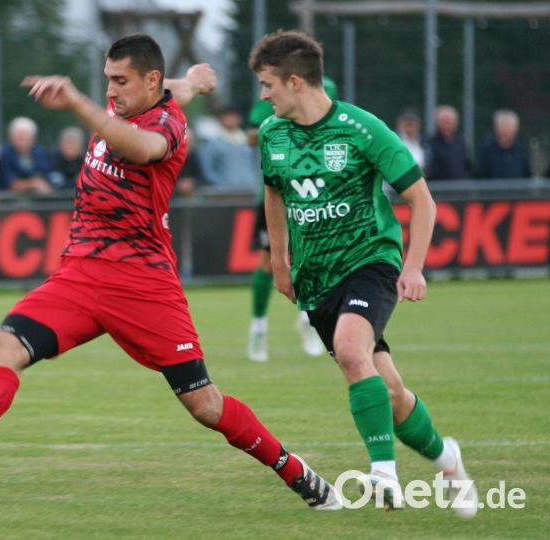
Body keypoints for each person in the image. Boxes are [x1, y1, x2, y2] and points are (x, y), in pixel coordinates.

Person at [0, 34, 342, 511]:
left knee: (205, 406)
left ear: (148, 81)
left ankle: (295, 471)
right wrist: (194, 78)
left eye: (120, 81)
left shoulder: (165, 125)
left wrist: (76, 102)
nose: (111, 92)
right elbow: (174, 86)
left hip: (143, 284)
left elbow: (141, 146)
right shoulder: (144, 93)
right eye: (106, 80)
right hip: (81, 273)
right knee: (1, 345)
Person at [251, 30, 476, 516]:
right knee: (388, 391)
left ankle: (383, 474)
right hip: (315, 277)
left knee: (354, 353)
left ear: (294, 81)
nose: (263, 96)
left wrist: (412, 267)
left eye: (268, 85)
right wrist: (278, 260)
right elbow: (274, 192)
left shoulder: (362, 128)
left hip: (370, 262)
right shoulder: (272, 134)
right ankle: (446, 457)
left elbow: (422, 200)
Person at [243, 83, 335, 362]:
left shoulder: (326, 87)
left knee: (313, 258)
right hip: (276, 194)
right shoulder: (273, 92)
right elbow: (250, 136)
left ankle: (308, 321)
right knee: (268, 262)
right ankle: (258, 327)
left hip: (314, 192)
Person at [197, 106, 258, 193]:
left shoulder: (249, 140)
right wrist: (221, 184)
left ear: (239, 119)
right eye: (227, 117)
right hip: (225, 193)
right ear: (221, 120)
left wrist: (255, 182)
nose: (230, 120)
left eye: (233, 117)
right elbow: (207, 169)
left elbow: (257, 163)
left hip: (250, 190)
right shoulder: (213, 143)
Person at [0, 117, 53, 195]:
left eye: (26, 138)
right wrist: (33, 184)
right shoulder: (3, 155)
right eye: (20, 138)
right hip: (7, 202)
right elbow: (10, 183)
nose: (23, 142)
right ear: (11, 138)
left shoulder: (39, 153)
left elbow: (46, 176)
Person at [476, 108, 531, 179]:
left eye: (509, 127)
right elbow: (480, 175)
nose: (506, 131)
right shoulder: (487, 150)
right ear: (496, 128)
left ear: (516, 129)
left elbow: (527, 174)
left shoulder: (522, 150)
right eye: (503, 126)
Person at [426, 105, 472, 180]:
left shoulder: (461, 143)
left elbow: (468, 166)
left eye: (449, 122)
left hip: (461, 188)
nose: (446, 125)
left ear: (455, 123)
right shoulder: (430, 144)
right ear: (437, 123)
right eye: (443, 122)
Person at [48, 126, 85, 190]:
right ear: (60, 145)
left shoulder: (86, 161)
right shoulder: (52, 159)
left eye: (74, 145)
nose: (71, 147)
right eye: (68, 143)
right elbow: (57, 184)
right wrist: (76, 182)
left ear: (80, 147)